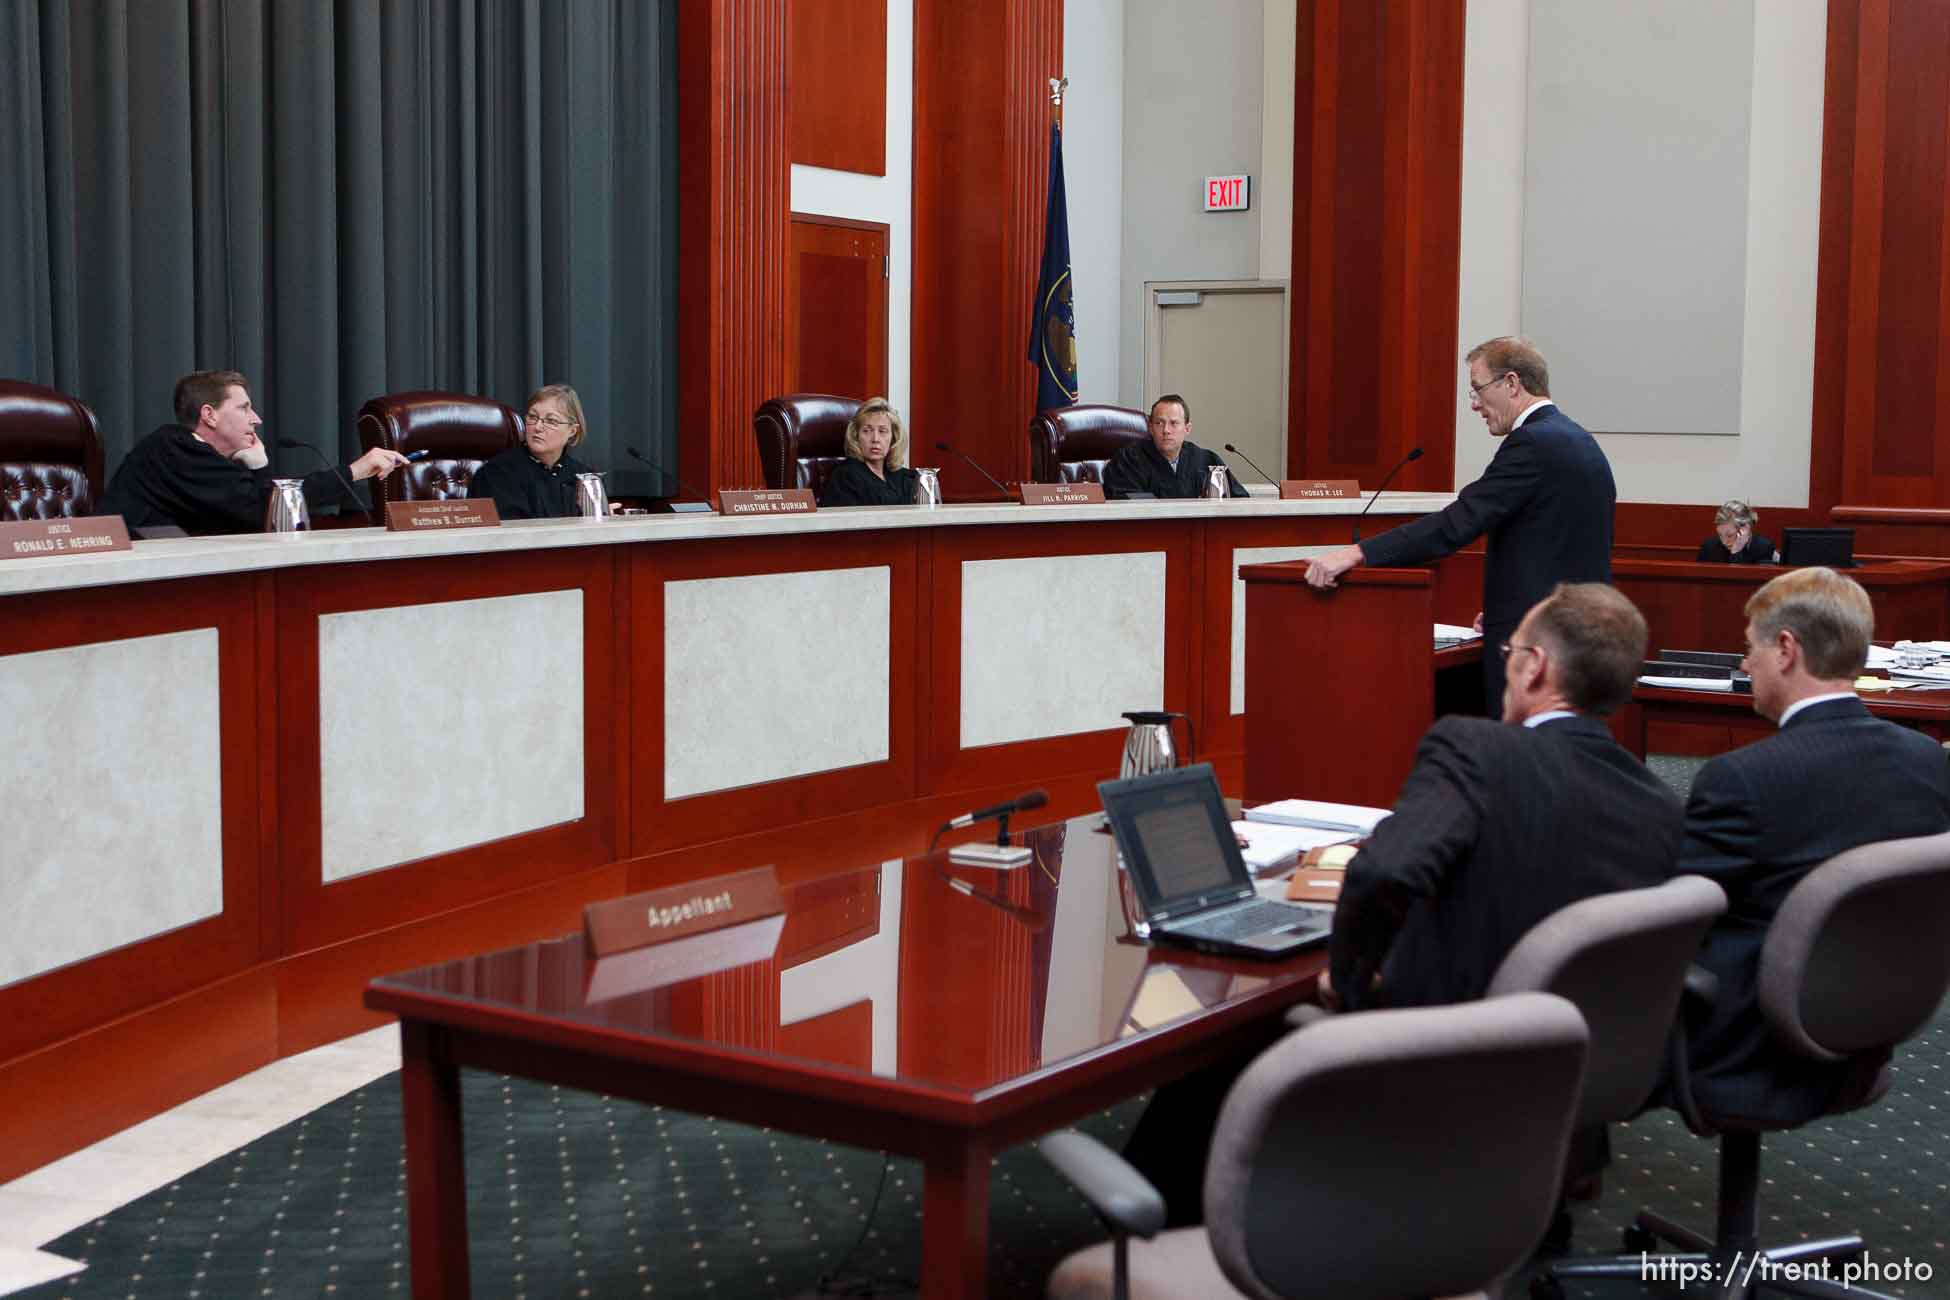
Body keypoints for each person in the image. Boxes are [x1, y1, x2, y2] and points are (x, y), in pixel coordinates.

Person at [1123, 582, 1684, 1226]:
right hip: (1561, 1077)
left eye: (1511, 650)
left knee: (1238, 1029)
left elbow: (1388, 868)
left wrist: (1349, 977)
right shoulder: (1660, 806)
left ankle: (1151, 1229)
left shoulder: (1478, 749)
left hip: (1440, 1059)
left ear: (1535, 667)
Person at [1672, 567, 1950, 1128]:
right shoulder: (1928, 762)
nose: (1744, 663)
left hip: (1743, 1047)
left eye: (1748, 648)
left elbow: (1673, 920)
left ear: (1785, 649)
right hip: (1871, 1031)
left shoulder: (1742, 779)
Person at [1302, 336, 1616, 714]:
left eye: (1478, 389)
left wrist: (1357, 553)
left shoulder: (1533, 443)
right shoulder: (1579, 440)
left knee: (1523, 761)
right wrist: (1508, 607)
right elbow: (1561, 544)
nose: (1474, 404)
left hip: (1538, 645)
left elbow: (1457, 523)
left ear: (1512, 383)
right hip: (1573, 634)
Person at [101, 370, 408, 535]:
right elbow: (261, 510)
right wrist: (354, 471)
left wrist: (257, 470)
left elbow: (254, 518)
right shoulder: (173, 447)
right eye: (244, 408)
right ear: (209, 415)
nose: (256, 419)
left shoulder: (201, 457)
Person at [467, 383, 598, 519]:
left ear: (572, 430)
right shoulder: (497, 473)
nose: (538, 427)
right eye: (533, 417)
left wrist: (601, 518)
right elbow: (513, 533)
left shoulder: (584, 477)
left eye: (551, 421)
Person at [1099, 394, 1246, 499]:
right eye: (1159, 423)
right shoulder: (1129, 460)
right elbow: (1121, 501)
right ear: (1150, 428)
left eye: (1174, 423)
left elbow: (1238, 498)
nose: (1166, 430)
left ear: (1187, 429)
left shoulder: (1206, 460)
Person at [816, 397, 921, 507]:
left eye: (882, 431)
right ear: (856, 436)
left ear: (893, 438)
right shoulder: (845, 477)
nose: (875, 439)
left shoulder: (904, 477)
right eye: (867, 431)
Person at [1695, 500, 1776, 564]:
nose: (1724, 542)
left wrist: (1736, 552)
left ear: (1746, 529)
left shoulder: (1763, 548)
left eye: (1730, 536)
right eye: (1720, 535)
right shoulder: (1709, 547)